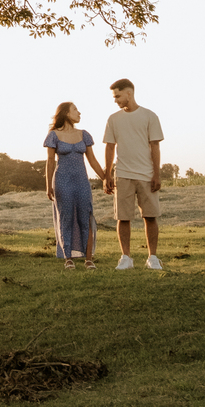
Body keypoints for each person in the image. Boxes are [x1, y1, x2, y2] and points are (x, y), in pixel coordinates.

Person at [103, 79, 164, 271]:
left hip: (146, 175)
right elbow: (110, 147)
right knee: (123, 218)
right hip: (123, 174)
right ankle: (126, 257)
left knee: (151, 216)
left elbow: (155, 146)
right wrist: (107, 175)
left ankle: (152, 257)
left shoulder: (149, 116)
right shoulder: (113, 119)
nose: (115, 100)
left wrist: (157, 174)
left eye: (117, 96)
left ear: (129, 93)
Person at [43, 102, 106, 270]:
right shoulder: (53, 135)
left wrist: (105, 178)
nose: (79, 112)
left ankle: (89, 259)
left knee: (86, 217)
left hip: (82, 181)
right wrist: (48, 185)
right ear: (65, 113)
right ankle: (68, 258)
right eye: (75, 110)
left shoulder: (84, 135)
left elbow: (92, 160)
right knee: (66, 218)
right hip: (62, 181)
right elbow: (50, 161)